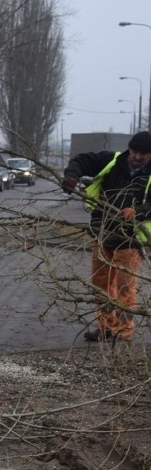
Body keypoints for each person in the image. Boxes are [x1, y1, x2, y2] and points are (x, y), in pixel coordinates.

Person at [61, 131, 151, 342]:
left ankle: (123, 331)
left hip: (130, 239)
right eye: (134, 151)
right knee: (100, 285)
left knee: (124, 289)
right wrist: (71, 176)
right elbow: (81, 160)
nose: (137, 157)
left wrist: (139, 210)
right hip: (103, 232)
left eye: (143, 154)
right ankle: (105, 327)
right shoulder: (112, 161)